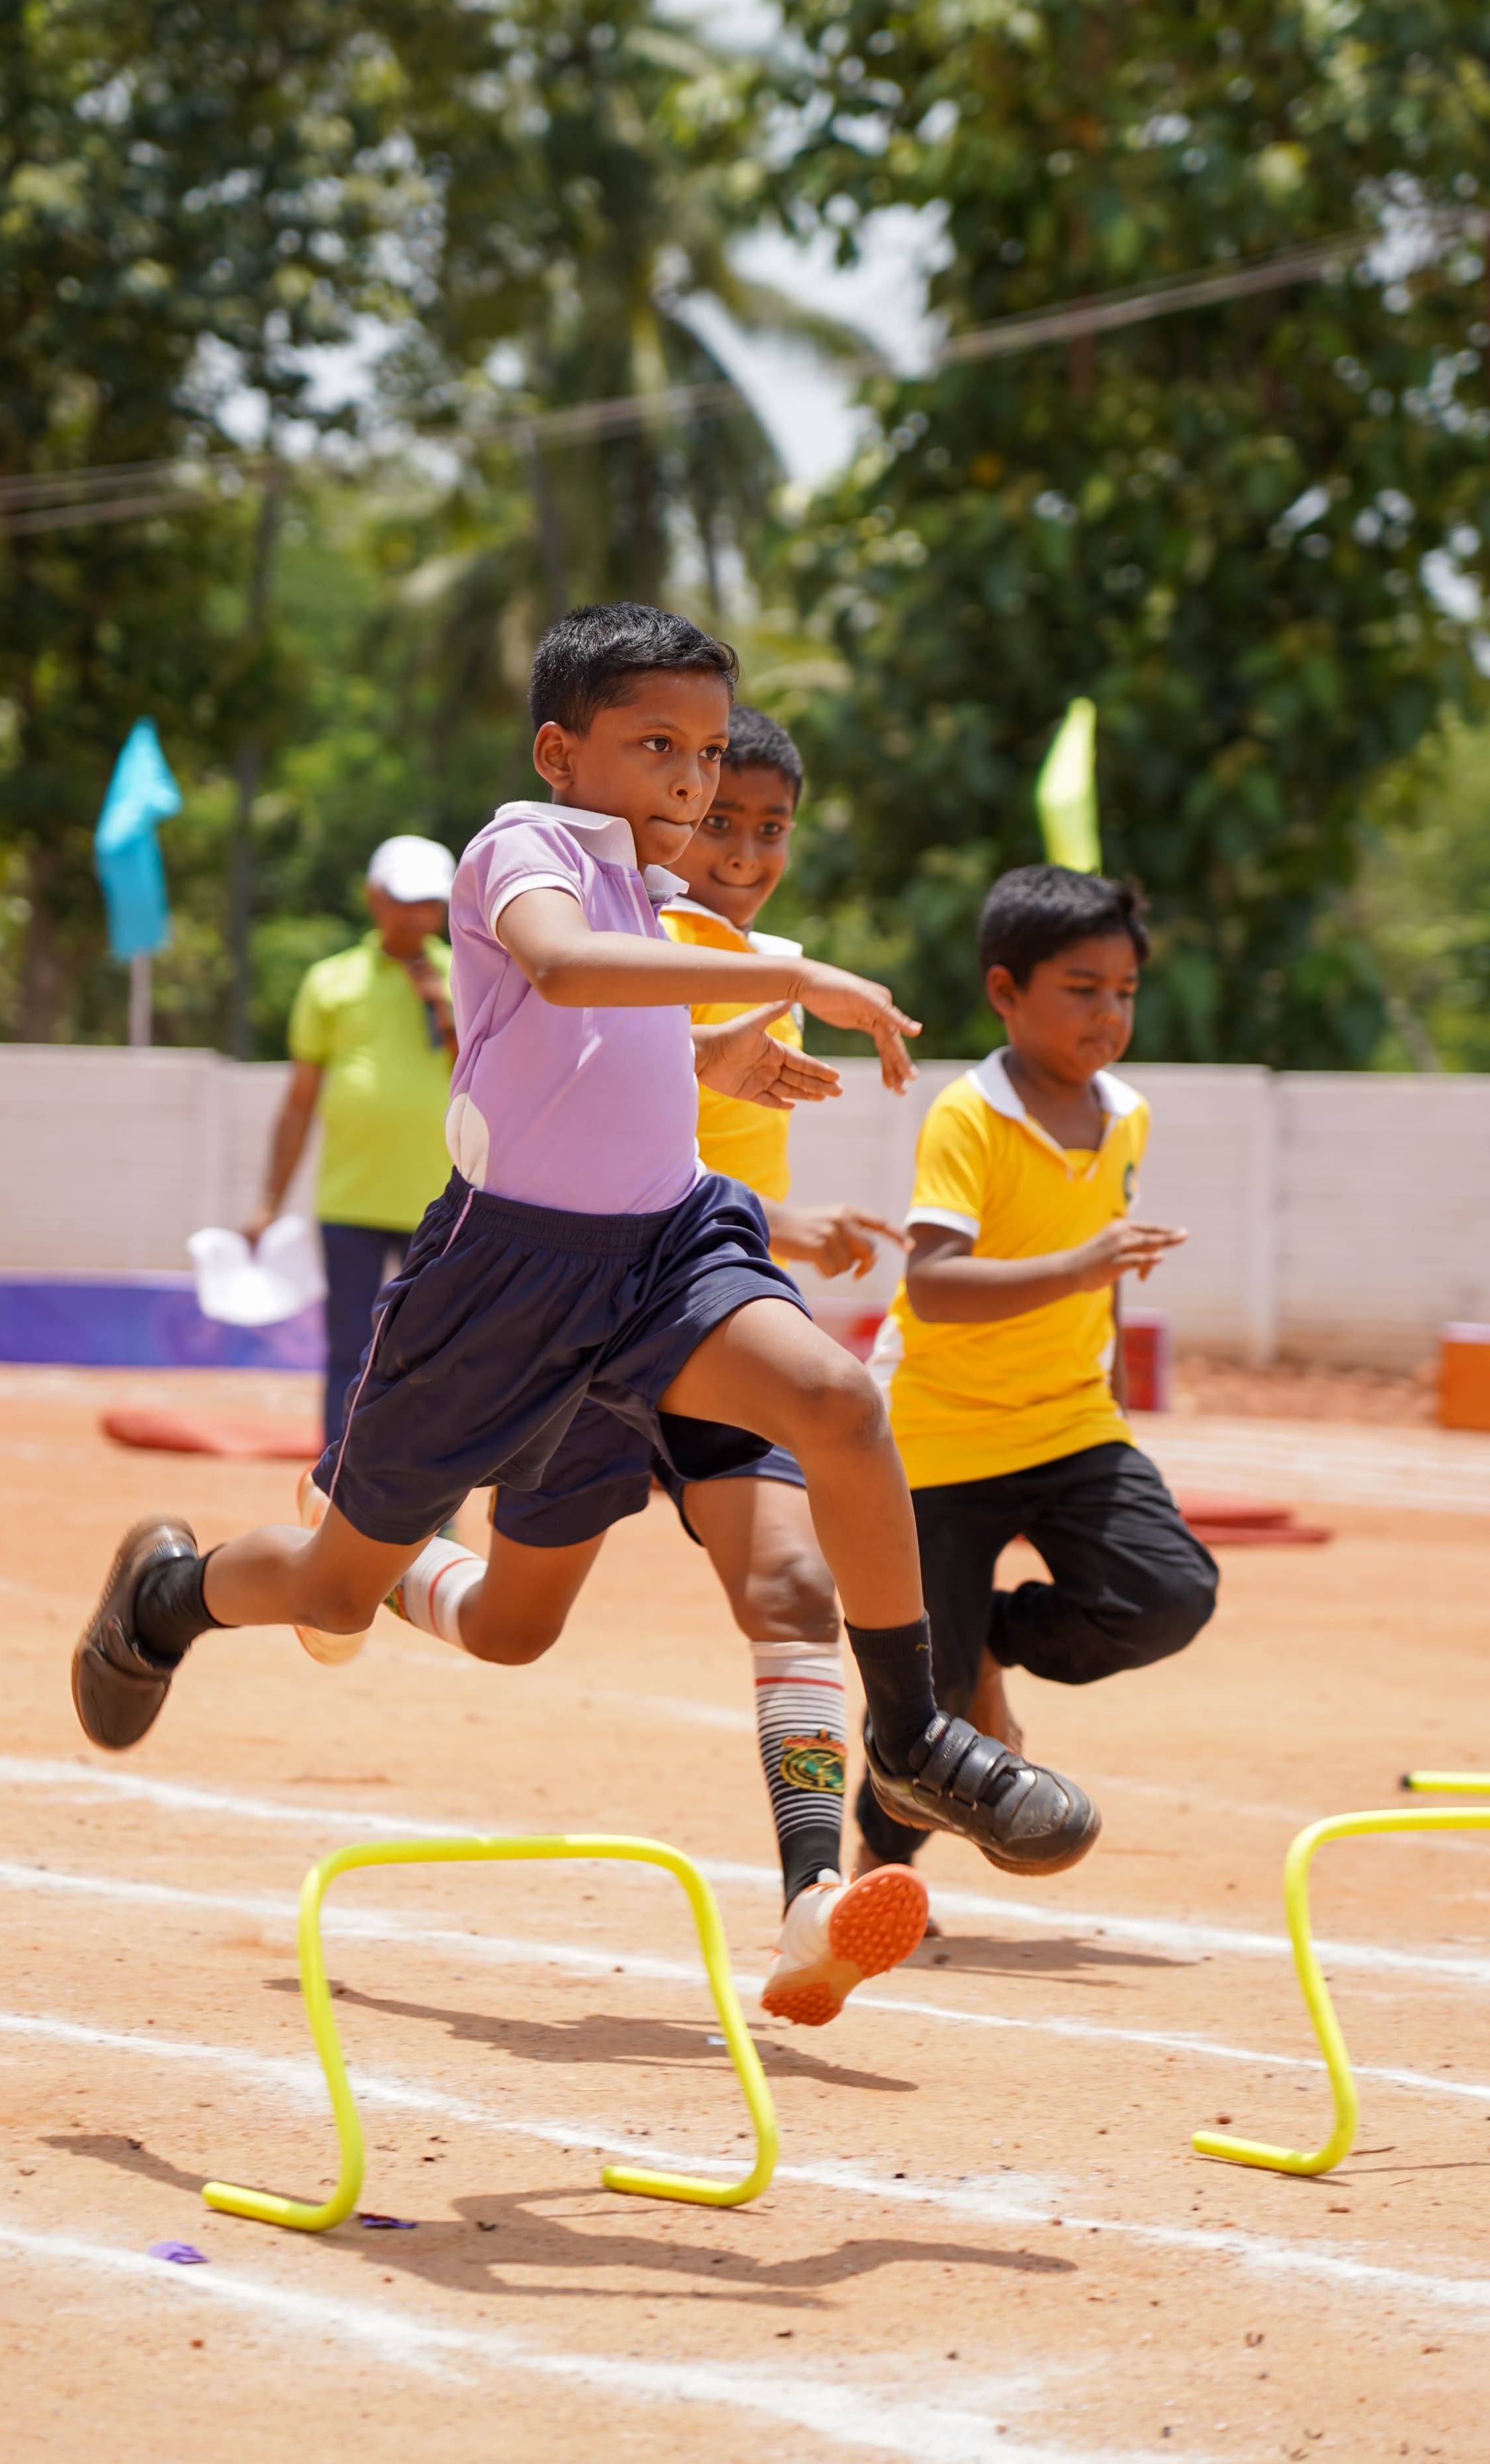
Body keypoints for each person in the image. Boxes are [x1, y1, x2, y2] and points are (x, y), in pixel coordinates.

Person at [72, 604, 1101, 1902]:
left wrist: (724, 1044)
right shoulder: (524, 845)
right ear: (560, 751)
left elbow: (617, 1046)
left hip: (669, 1243)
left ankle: (910, 1739)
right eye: (654, 741)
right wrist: (801, 983)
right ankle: (166, 1597)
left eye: (711, 750)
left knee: (837, 1401)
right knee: (343, 1591)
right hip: (504, 1271)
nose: (691, 776)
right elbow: (557, 968)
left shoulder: (661, 897)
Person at [378, 706, 928, 2026]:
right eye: (711, 811)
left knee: (792, 1586)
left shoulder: (744, 945)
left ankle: (811, 1902)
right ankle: (401, 1566)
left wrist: (782, 1228)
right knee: (516, 1627)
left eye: (766, 825)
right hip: (587, 1315)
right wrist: (742, 1030)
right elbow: (598, 1076)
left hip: (720, 1314)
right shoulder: (620, 919)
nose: (736, 845)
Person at [851, 862, 1219, 1883]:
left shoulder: (1127, 1116)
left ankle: (988, 1641)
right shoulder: (967, 1117)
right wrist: (1086, 1265)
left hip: (1067, 1426)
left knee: (1165, 1595)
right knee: (916, 1718)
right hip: (934, 1436)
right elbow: (932, 1283)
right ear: (1004, 993)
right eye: (1081, 989)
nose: (1108, 1014)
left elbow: (1099, 1272)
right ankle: (880, 1874)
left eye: (1124, 992)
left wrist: (1104, 1371)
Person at [244, 834, 457, 1449]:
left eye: (429, 904)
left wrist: (446, 1014)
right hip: (350, 1201)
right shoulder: (329, 981)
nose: (417, 916)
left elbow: (494, 1082)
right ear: (373, 897)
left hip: (441, 1203)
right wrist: (268, 1200)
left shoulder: (469, 975)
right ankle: (338, 1482)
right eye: (404, 900)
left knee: (433, 1352)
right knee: (350, 1351)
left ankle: (426, 1497)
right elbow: (299, 1102)